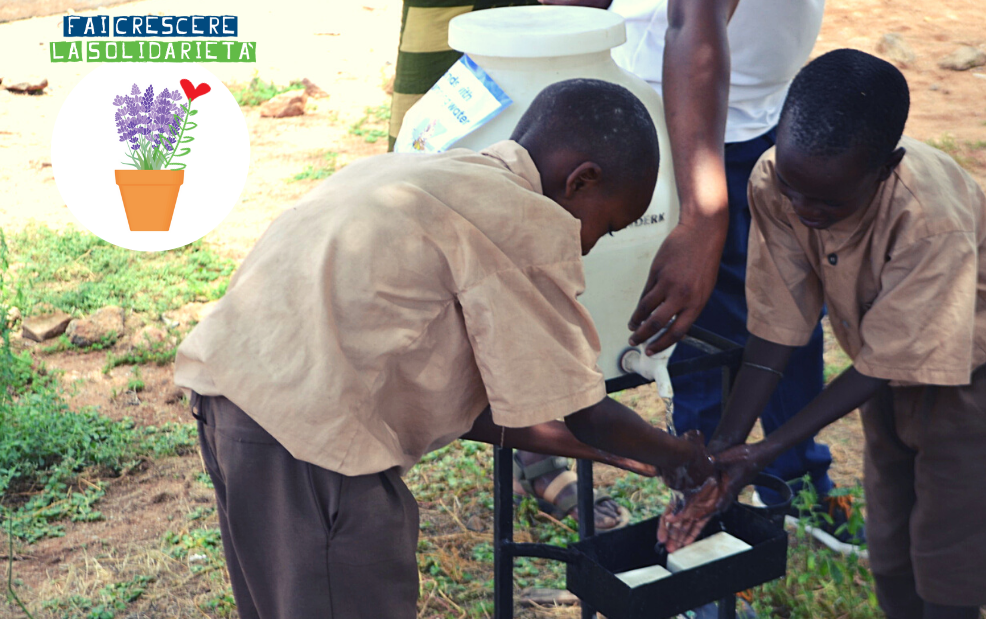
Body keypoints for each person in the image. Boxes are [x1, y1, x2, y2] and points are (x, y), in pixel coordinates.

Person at [174, 79, 720, 619]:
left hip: (232, 404)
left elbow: (484, 412)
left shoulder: (423, 174)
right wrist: (682, 459)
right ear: (581, 181)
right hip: (312, 448)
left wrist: (612, 452)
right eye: (608, 225)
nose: (593, 244)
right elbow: (587, 412)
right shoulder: (524, 221)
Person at [660, 49, 986, 619]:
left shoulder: (928, 219)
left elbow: (888, 359)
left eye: (826, 201)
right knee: (892, 544)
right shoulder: (777, 178)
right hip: (883, 371)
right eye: (794, 189)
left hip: (979, 375)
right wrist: (726, 448)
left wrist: (767, 450)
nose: (803, 208)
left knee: (951, 559)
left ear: (886, 167)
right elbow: (778, 325)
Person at [540, 0, 863, 552]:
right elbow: (695, 13)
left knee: (794, 303)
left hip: (767, 111)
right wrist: (703, 215)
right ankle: (703, 499)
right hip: (698, 125)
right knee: (702, 336)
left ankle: (796, 477)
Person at [387, 0, 633, 533]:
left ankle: (536, 459)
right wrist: (647, 450)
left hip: (541, 15)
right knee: (462, 234)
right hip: (452, 11)